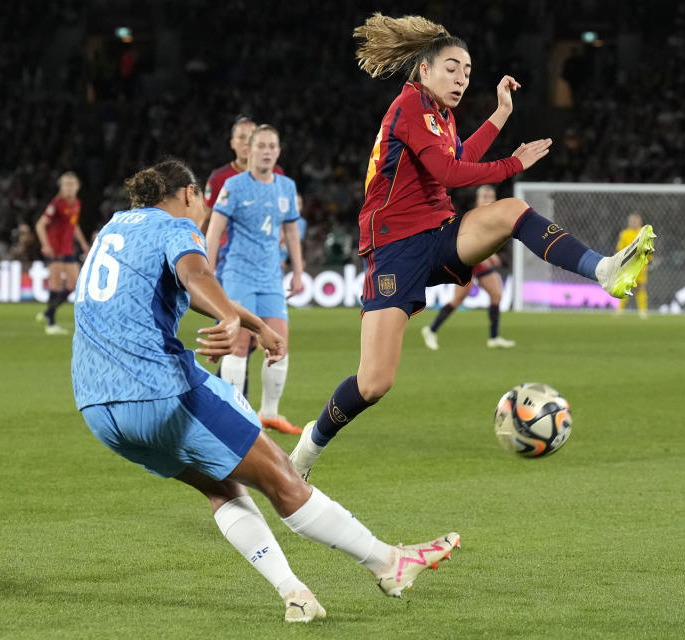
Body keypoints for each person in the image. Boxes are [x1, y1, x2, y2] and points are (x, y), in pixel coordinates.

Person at [71, 159, 459, 624]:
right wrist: (231, 319)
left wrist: (251, 324)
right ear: (190, 195)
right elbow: (196, 276)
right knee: (282, 477)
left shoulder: (113, 230)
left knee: (222, 486)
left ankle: (295, 593)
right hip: (158, 391)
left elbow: (181, 287)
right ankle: (387, 563)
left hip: (97, 407)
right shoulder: (175, 226)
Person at [288, 14, 655, 480]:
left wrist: (501, 114)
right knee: (374, 382)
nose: (462, 78)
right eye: (452, 68)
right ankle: (306, 451)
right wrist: (513, 163)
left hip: (438, 235)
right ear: (424, 70)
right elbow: (449, 174)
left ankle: (602, 269)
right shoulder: (408, 108)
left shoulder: (439, 116)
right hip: (395, 249)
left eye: (467, 71)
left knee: (509, 212)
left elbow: (459, 159)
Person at [206, 125, 304, 436]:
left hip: (271, 276)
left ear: (278, 151)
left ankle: (269, 414)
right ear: (250, 149)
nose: (266, 151)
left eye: (271, 146)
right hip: (237, 274)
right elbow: (214, 231)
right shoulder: (233, 186)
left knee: (278, 343)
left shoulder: (286, 186)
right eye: (260, 145)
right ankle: (232, 413)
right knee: (239, 342)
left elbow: (290, 231)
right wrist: (207, 271)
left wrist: (299, 271)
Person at [203, 116, 286, 400]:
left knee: (248, 341)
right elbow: (207, 222)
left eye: (252, 137)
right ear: (234, 144)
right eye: (241, 138)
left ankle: (231, 399)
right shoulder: (220, 179)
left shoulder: (276, 176)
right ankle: (227, 401)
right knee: (238, 340)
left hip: (262, 268)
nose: (248, 144)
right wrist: (202, 262)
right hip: (230, 265)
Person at [421, 185, 515, 349]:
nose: (488, 200)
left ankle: (493, 337)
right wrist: (488, 256)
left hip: (480, 262)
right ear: (477, 200)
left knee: (496, 294)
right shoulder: (472, 217)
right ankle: (431, 329)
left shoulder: (494, 217)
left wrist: (492, 254)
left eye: (491, 196)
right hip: (466, 261)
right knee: (458, 299)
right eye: (484, 197)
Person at [35, 171, 91, 335]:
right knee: (56, 284)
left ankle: (48, 313)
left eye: (72, 184)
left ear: (78, 187)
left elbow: (74, 225)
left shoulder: (76, 203)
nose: (69, 188)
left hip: (68, 249)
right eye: (66, 184)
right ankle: (51, 323)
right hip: (55, 250)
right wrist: (45, 245)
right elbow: (40, 225)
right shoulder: (57, 203)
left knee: (75, 284)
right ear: (61, 187)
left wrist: (82, 243)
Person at [614, 213, 650, 318]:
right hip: (627, 265)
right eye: (632, 221)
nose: (633, 223)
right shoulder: (624, 234)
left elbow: (649, 249)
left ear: (640, 222)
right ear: (629, 222)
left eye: (636, 221)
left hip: (640, 265)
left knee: (640, 287)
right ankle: (620, 310)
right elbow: (620, 248)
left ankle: (643, 311)